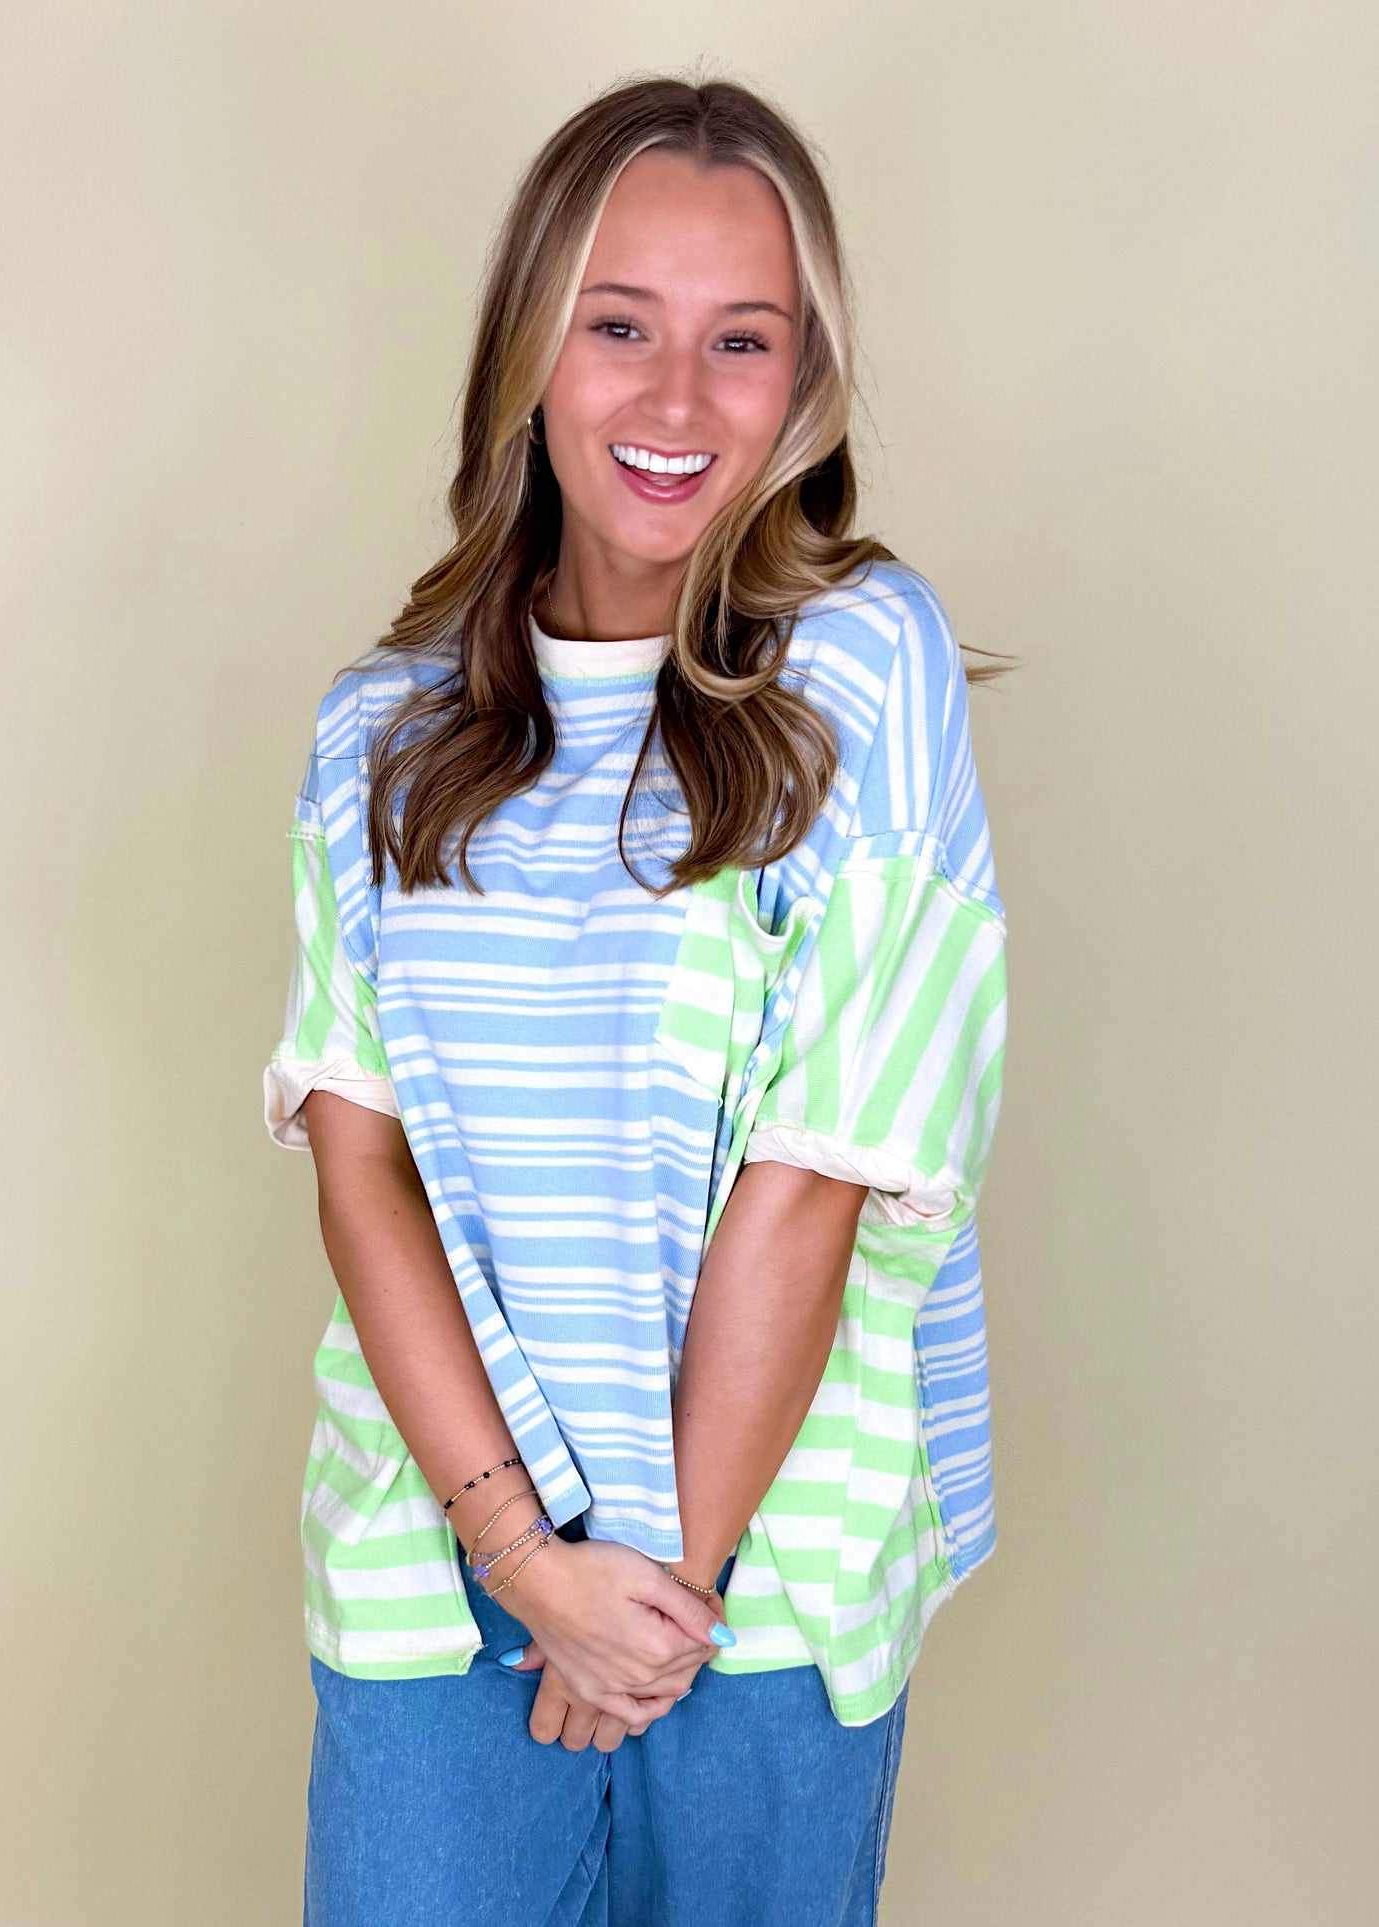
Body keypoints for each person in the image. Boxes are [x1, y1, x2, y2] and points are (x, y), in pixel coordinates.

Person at [263, 73, 1009, 1927]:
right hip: (439, 1565)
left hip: (765, 1583)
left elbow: (819, 1171)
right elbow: (363, 1169)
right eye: (618, 327)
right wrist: (529, 1564)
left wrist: (646, 1600)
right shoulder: (381, 729)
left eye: (740, 340)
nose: (676, 402)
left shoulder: (864, 666)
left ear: (801, 381)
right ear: (529, 350)